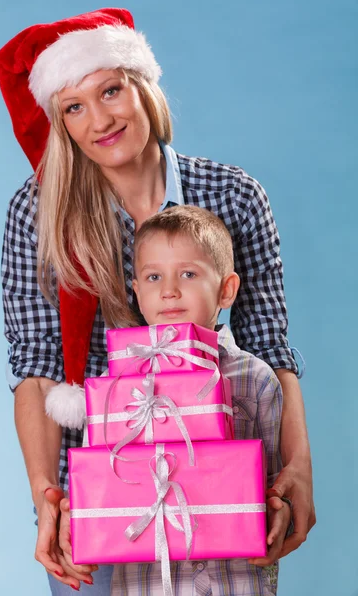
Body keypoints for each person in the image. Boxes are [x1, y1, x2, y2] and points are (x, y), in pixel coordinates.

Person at [0, 7, 314, 595]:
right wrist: (47, 497)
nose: (99, 119)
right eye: (73, 106)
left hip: (222, 492)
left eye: (110, 90)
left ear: (142, 86)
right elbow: (36, 370)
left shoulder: (233, 195)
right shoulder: (39, 213)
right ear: (60, 123)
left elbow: (270, 345)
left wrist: (298, 468)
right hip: (102, 501)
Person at [69, 204, 291, 594]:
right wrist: (79, 528)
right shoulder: (109, 388)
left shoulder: (256, 379)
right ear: (136, 292)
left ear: (226, 289)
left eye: (188, 274)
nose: (169, 290)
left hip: (236, 582)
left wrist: (277, 512)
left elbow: (273, 484)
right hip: (146, 584)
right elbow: (98, 485)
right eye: (154, 277)